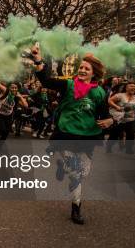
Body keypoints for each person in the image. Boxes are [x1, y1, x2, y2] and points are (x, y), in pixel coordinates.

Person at [31, 44, 113, 224]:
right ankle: (76, 209)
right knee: (76, 174)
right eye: (81, 67)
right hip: (66, 134)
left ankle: (64, 166)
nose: (82, 70)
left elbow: (106, 115)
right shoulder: (68, 84)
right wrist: (38, 59)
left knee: (84, 172)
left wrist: (110, 121)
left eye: (87, 68)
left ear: (94, 73)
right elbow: (46, 81)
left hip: (87, 136)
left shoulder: (99, 93)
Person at [0, 70, 28, 149]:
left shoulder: (17, 96)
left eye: (16, 88)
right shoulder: (5, 91)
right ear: (9, 88)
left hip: (8, 116)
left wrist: (21, 97)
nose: (14, 89)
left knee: (6, 133)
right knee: (2, 130)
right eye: (12, 87)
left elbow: (26, 106)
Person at [107, 81, 135, 154]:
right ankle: (109, 147)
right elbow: (110, 101)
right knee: (114, 135)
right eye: (131, 86)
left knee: (131, 135)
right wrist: (117, 107)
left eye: (134, 86)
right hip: (119, 120)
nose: (133, 88)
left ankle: (129, 149)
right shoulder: (120, 95)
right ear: (126, 88)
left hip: (131, 120)